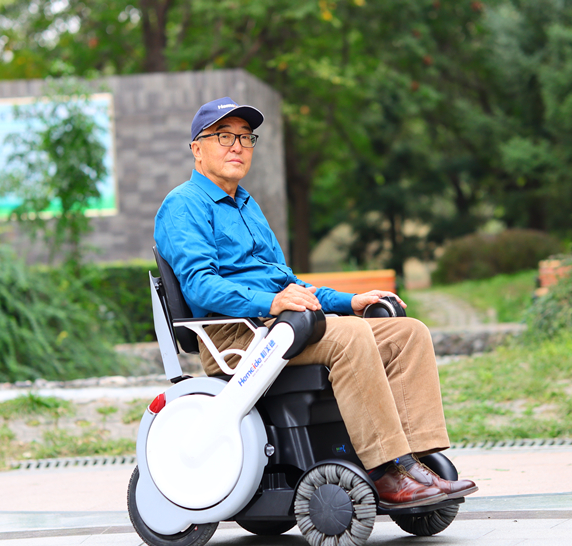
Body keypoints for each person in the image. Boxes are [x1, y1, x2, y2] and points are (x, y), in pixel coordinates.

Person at [154, 97, 477, 509]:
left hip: (281, 326)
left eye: (245, 137)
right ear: (197, 148)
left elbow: (289, 284)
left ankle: (415, 460)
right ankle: (383, 471)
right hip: (236, 338)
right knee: (350, 337)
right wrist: (271, 302)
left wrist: (352, 301)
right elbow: (201, 287)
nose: (236, 145)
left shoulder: (248, 206)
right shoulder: (182, 205)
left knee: (407, 332)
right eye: (223, 136)